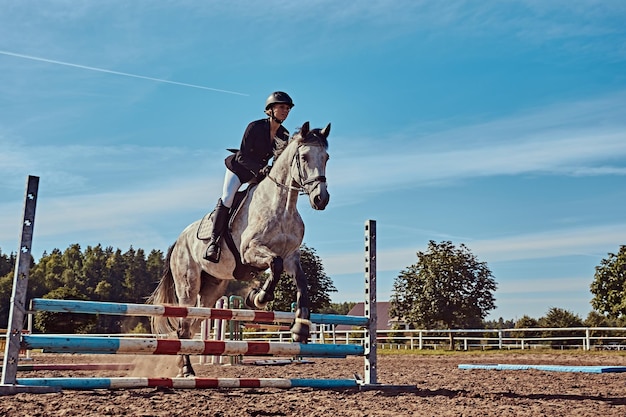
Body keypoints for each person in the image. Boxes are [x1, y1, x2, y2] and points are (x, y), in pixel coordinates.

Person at [204, 91, 295, 262]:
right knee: (228, 198)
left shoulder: (284, 134)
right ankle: (214, 243)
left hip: (260, 174)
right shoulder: (254, 127)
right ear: (271, 109)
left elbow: (278, 161)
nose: (286, 111)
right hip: (239, 168)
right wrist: (261, 170)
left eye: (288, 108)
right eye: (282, 107)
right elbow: (242, 156)